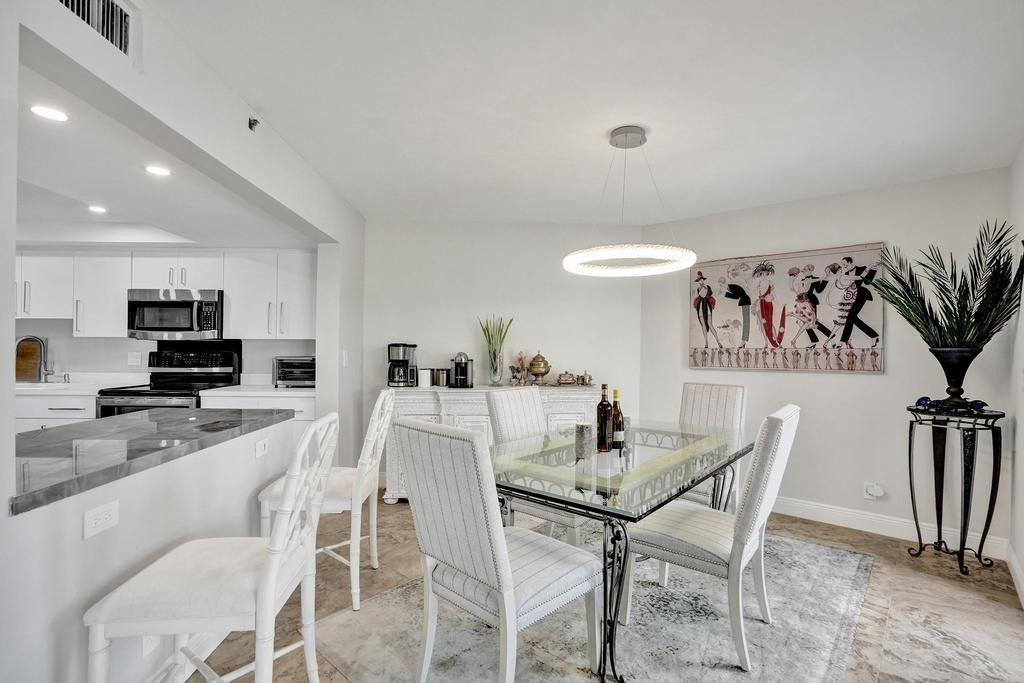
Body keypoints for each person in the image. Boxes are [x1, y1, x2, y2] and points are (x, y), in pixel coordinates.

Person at [752, 261, 786, 347]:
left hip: (768, 304)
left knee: (770, 323)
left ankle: (776, 340)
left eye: (766, 273)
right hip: (760, 304)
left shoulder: (770, 283)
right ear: (760, 274)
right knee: (763, 324)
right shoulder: (758, 284)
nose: (764, 275)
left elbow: (773, 294)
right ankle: (766, 342)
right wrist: (760, 296)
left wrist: (779, 303)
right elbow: (755, 294)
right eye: (762, 273)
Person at [721, 263, 753, 347]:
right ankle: (744, 341)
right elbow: (737, 296)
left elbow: (736, 296)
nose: (722, 287)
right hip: (745, 301)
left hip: (745, 301)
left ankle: (744, 341)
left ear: (724, 284)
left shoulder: (732, 287)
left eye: (722, 285)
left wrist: (726, 294)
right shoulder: (731, 287)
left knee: (746, 321)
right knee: (746, 321)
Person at [693, 272, 722, 348]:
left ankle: (718, 341)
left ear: (703, 280)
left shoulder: (707, 287)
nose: (700, 281)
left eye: (701, 279)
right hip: (701, 306)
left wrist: (704, 288)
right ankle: (706, 342)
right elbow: (701, 295)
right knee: (703, 325)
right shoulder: (698, 288)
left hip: (706, 305)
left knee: (710, 324)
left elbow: (704, 294)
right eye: (699, 280)